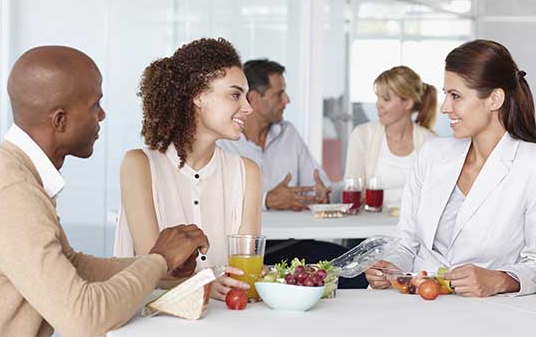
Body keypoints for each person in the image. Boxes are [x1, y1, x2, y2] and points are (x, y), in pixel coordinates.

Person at [0, 46, 209, 336]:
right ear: (60, 120)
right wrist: (159, 260)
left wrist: (158, 266)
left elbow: (70, 266)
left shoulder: (10, 170)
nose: (102, 115)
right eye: (94, 105)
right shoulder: (13, 194)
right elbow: (84, 319)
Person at [365, 40, 536, 297]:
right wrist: (392, 267)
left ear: (494, 99)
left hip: (489, 313)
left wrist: (499, 280)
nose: (445, 107)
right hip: (417, 302)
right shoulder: (433, 154)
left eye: (456, 96)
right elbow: (406, 242)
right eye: (446, 94)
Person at [113, 38, 263, 301]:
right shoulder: (139, 166)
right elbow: (153, 268)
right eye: (235, 94)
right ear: (198, 96)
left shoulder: (247, 173)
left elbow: (245, 270)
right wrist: (204, 283)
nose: (248, 108)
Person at [218, 59, 330, 211]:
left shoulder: (288, 133)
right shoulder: (221, 141)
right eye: (279, 94)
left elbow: (317, 184)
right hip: (244, 234)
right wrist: (266, 200)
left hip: (296, 233)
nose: (287, 100)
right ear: (253, 98)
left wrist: (320, 194)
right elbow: (213, 199)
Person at [345, 66, 437, 209]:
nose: (378, 105)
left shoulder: (430, 141)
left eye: (385, 99)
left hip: (415, 228)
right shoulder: (362, 135)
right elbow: (351, 189)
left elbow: (435, 197)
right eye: (378, 97)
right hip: (370, 227)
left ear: (407, 103)